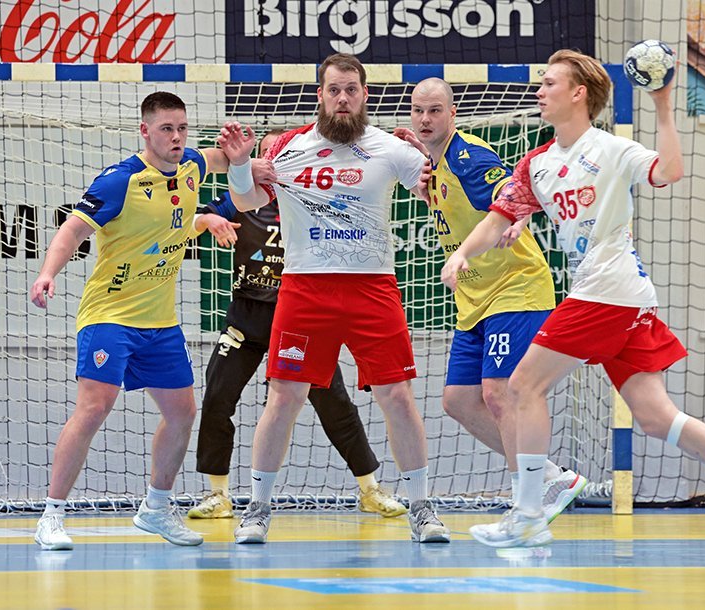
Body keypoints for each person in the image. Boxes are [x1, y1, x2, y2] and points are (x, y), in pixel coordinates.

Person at [441, 50, 705, 550]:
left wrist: (663, 102)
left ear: (578, 93)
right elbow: (498, 217)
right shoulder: (537, 164)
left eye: (549, 83)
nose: (539, 91)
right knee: (654, 416)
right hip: (623, 297)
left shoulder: (610, 149)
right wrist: (463, 253)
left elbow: (669, 170)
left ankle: (529, 512)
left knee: (521, 386)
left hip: (605, 290)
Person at [217, 52, 451, 544]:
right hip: (305, 287)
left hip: (372, 287)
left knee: (397, 396)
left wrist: (432, 154)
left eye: (351, 89)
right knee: (285, 396)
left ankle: (422, 507)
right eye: (334, 90)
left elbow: (436, 191)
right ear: (320, 95)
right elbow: (247, 202)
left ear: (364, 95)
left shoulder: (390, 147)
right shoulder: (289, 146)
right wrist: (239, 166)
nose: (342, 98)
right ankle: (257, 508)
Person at [29, 92, 245, 550]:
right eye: (167, 129)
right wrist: (48, 273)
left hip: (160, 323)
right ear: (145, 131)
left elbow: (225, 160)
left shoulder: (191, 165)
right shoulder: (120, 181)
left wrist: (250, 161)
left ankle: (156, 508)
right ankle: (51, 516)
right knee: (95, 407)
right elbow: (73, 229)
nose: (176, 137)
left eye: (182, 128)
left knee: (183, 413)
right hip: (109, 315)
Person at [188, 129, 406, 520]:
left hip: (299, 322)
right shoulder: (241, 196)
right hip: (247, 318)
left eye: (278, 153)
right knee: (217, 396)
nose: (271, 161)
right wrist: (209, 219)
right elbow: (191, 219)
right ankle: (217, 494)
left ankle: (369, 488)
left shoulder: (312, 199)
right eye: (265, 154)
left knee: (334, 403)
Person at [403, 78, 587, 520]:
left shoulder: (468, 156)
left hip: (515, 288)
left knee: (499, 394)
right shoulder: (434, 164)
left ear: (452, 114)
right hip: (475, 300)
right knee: (458, 400)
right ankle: (549, 477)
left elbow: (514, 192)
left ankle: (527, 503)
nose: (425, 119)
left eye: (435, 111)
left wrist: (519, 219)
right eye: (418, 111)